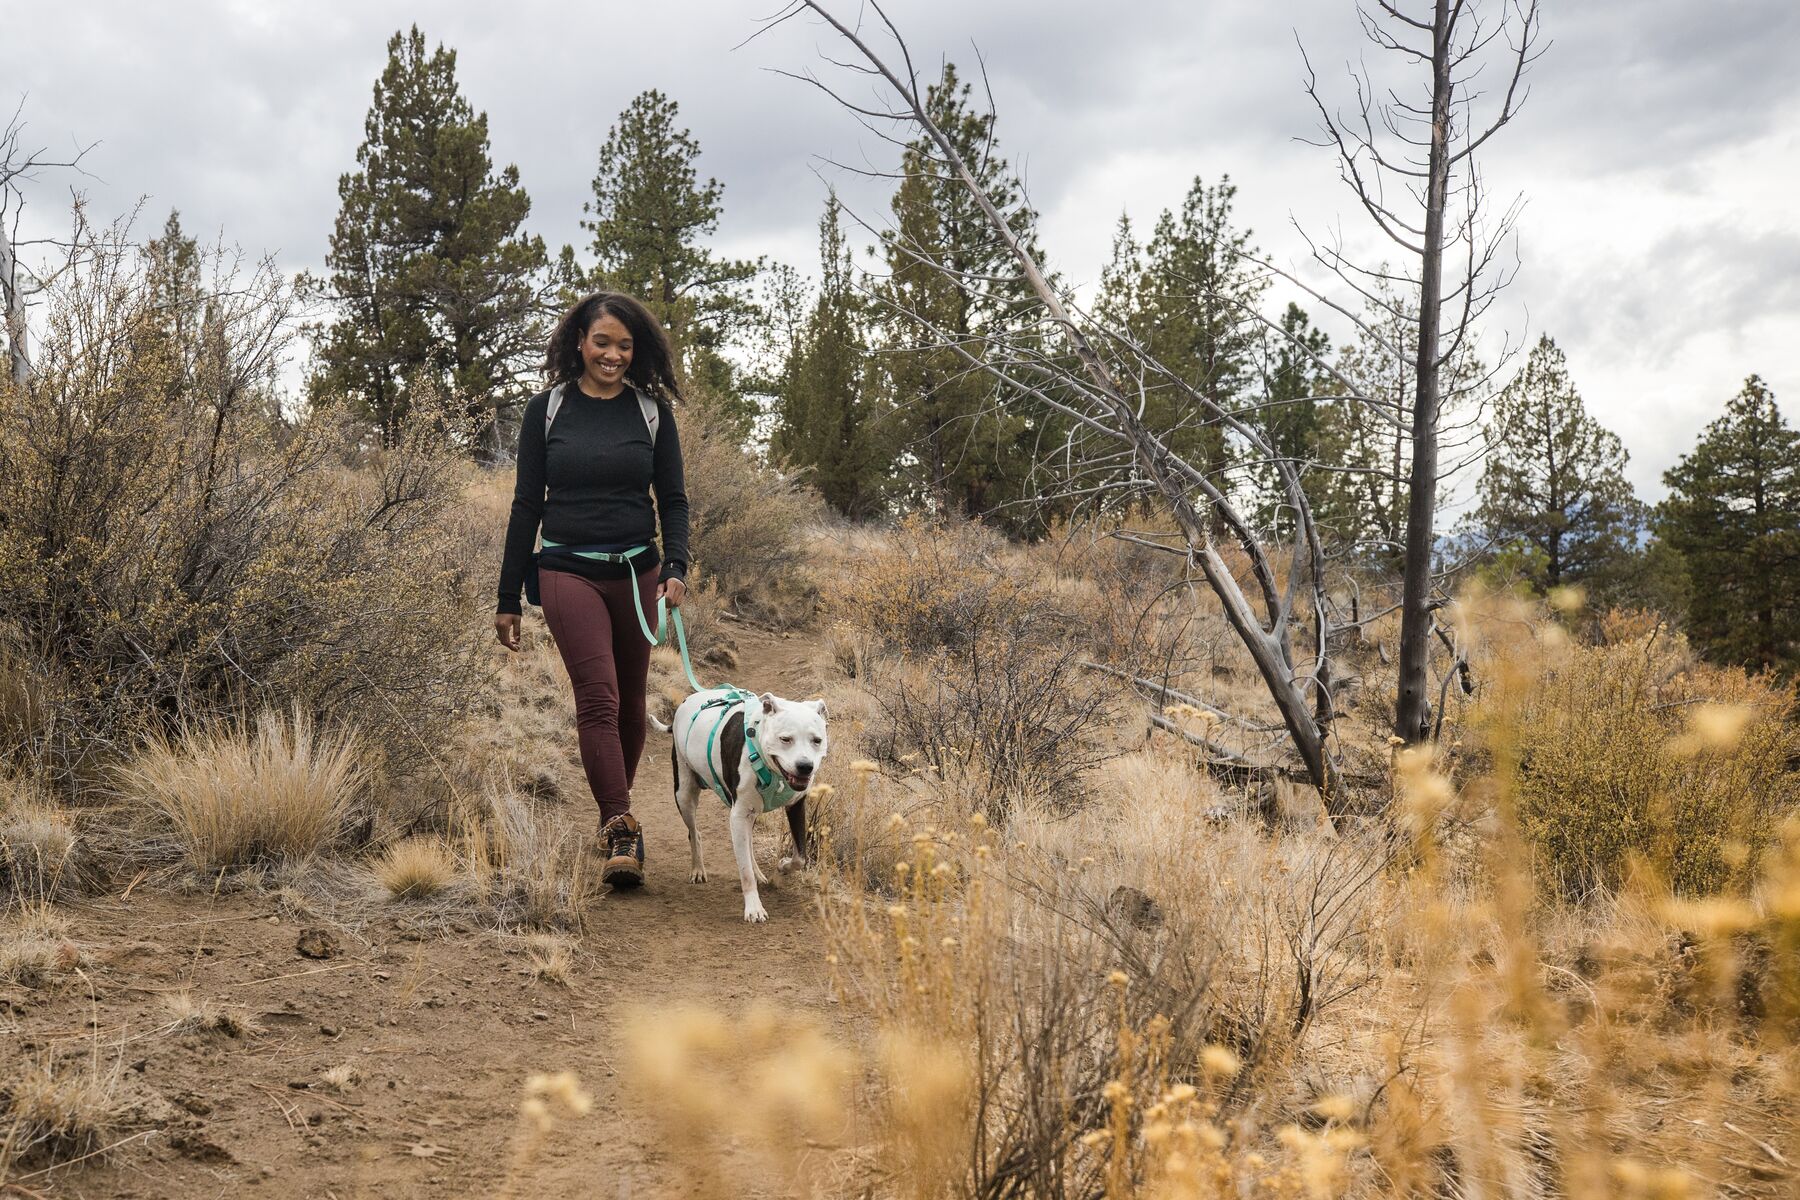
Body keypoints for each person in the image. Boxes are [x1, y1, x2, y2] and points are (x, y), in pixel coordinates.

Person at [494, 292, 689, 889]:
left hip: (637, 573)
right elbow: (528, 503)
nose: (612, 354)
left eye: (624, 345)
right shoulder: (547, 410)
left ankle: (615, 813)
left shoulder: (651, 414)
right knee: (599, 698)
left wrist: (677, 565)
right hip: (566, 571)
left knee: (632, 705)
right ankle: (619, 825)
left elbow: (673, 501)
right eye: (601, 342)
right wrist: (507, 597)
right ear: (578, 341)